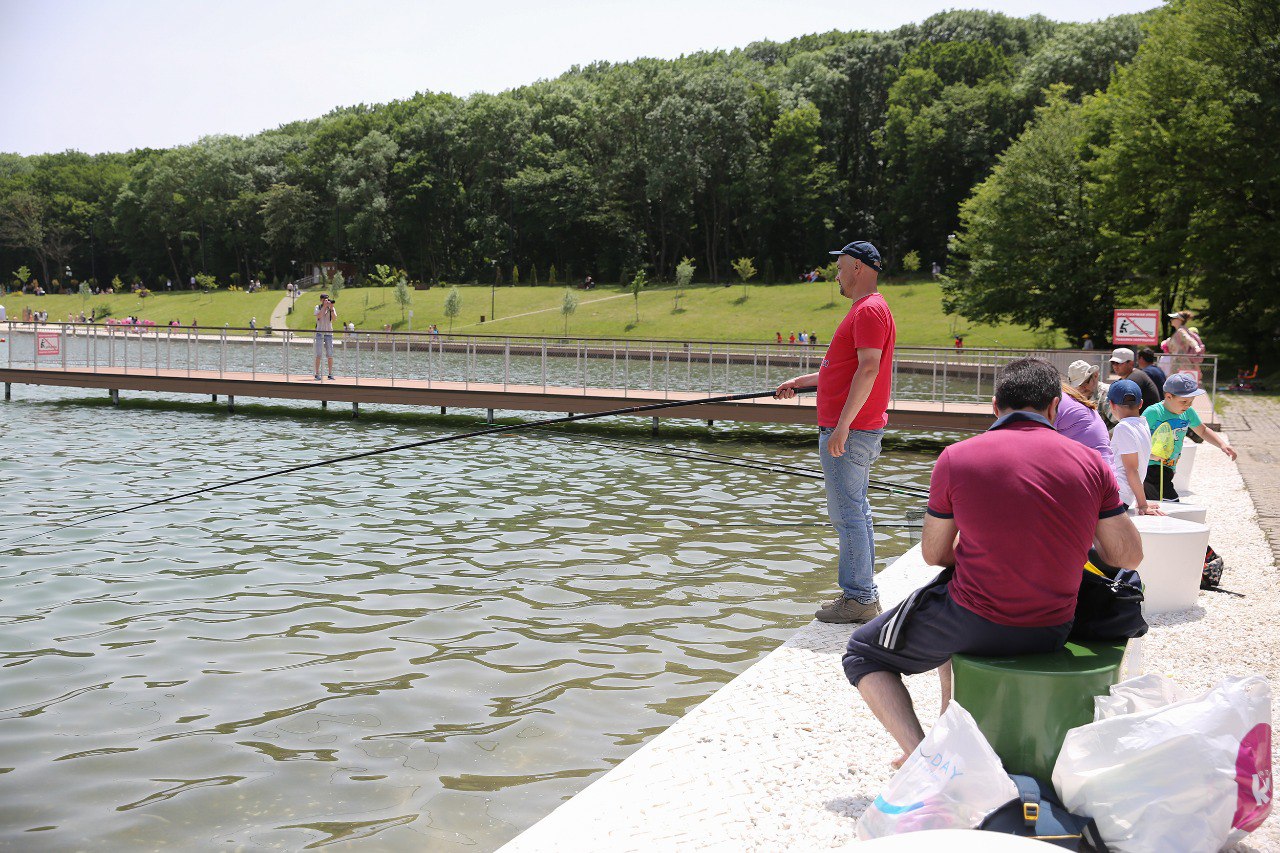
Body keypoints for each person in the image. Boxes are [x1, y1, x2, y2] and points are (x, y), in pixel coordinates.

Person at [842, 357, 1141, 764]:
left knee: (862, 652)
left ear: (995, 406)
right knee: (945, 603)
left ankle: (923, 759)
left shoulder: (956, 458)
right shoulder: (1090, 463)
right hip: (1051, 628)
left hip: (974, 624)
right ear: (1055, 407)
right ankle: (948, 729)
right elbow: (1127, 555)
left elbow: (934, 554)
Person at [776, 240, 896, 624]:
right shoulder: (866, 310)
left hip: (852, 430)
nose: (837, 274)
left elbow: (868, 369)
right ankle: (863, 592)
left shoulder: (869, 311)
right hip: (854, 427)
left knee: (847, 513)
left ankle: (859, 597)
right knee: (856, 510)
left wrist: (842, 427)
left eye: (841, 267)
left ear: (859, 267)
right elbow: (841, 369)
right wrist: (802, 380)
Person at [1143, 373, 1236, 501]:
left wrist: (1222, 444)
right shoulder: (1153, 412)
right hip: (1151, 466)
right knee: (1170, 501)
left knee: (1157, 504)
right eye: (1184, 401)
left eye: (1191, 402)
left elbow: (1203, 431)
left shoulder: (1187, 413)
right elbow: (1137, 438)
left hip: (1169, 467)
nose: (1188, 405)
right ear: (1168, 396)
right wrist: (1150, 455)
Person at [1106, 379, 1160, 516]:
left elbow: (1131, 470)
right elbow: (1139, 464)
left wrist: (1143, 504)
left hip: (1115, 498)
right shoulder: (1143, 424)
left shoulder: (1123, 428)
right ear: (1141, 403)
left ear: (1111, 404)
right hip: (1125, 497)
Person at [1055, 379, 1114, 467]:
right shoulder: (1069, 398)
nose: (1083, 387)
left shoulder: (1106, 394)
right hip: (1101, 467)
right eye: (1079, 384)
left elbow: (1122, 422)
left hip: (1095, 468)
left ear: (1095, 376)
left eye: (1086, 382)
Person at [1067, 359, 1112, 425]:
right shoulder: (1072, 397)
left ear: (1095, 376)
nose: (1082, 388)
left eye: (1085, 383)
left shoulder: (1107, 394)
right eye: (1077, 385)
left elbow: (1121, 427)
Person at [1163, 311, 1204, 378]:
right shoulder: (1180, 331)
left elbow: (1189, 339)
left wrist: (1196, 347)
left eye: (1173, 318)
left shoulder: (1180, 331)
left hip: (1181, 364)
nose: (1171, 320)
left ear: (1180, 320)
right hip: (1179, 364)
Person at [314, 294, 337, 381]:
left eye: (327, 299)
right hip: (319, 333)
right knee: (318, 354)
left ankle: (330, 374)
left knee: (330, 355)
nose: (326, 301)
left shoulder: (331, 307)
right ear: (321, 300)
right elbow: (319, 316)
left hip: (329, 333)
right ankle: (317, 374)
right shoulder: (318, 307)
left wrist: (331, 308)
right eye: (324, 299)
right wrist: (324, 306)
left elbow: (334, 318)